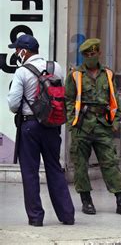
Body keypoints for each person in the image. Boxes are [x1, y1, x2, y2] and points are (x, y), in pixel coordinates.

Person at [7, 34, 75, 227]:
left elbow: (13, 104)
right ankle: (67, 215)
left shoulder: (22, 72)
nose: (15, 53)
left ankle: (36, 218)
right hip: (52, 125)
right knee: (54, 168)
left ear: (23, 51)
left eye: (16, 50)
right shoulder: (56, 67)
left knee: (30, 172)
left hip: (30, 126)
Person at [65, 38, 121, 216]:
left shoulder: (108, 74)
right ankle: (86, 200)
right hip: (82, 126)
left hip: (103, 125)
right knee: (80, 165)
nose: (90, 57)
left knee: (110, 163)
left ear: (99, 54)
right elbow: (69, 100)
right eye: (86, 55)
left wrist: (117, 120)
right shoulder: (75, 75)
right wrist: (72, 121)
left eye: (93, 54)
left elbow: (114, 99)